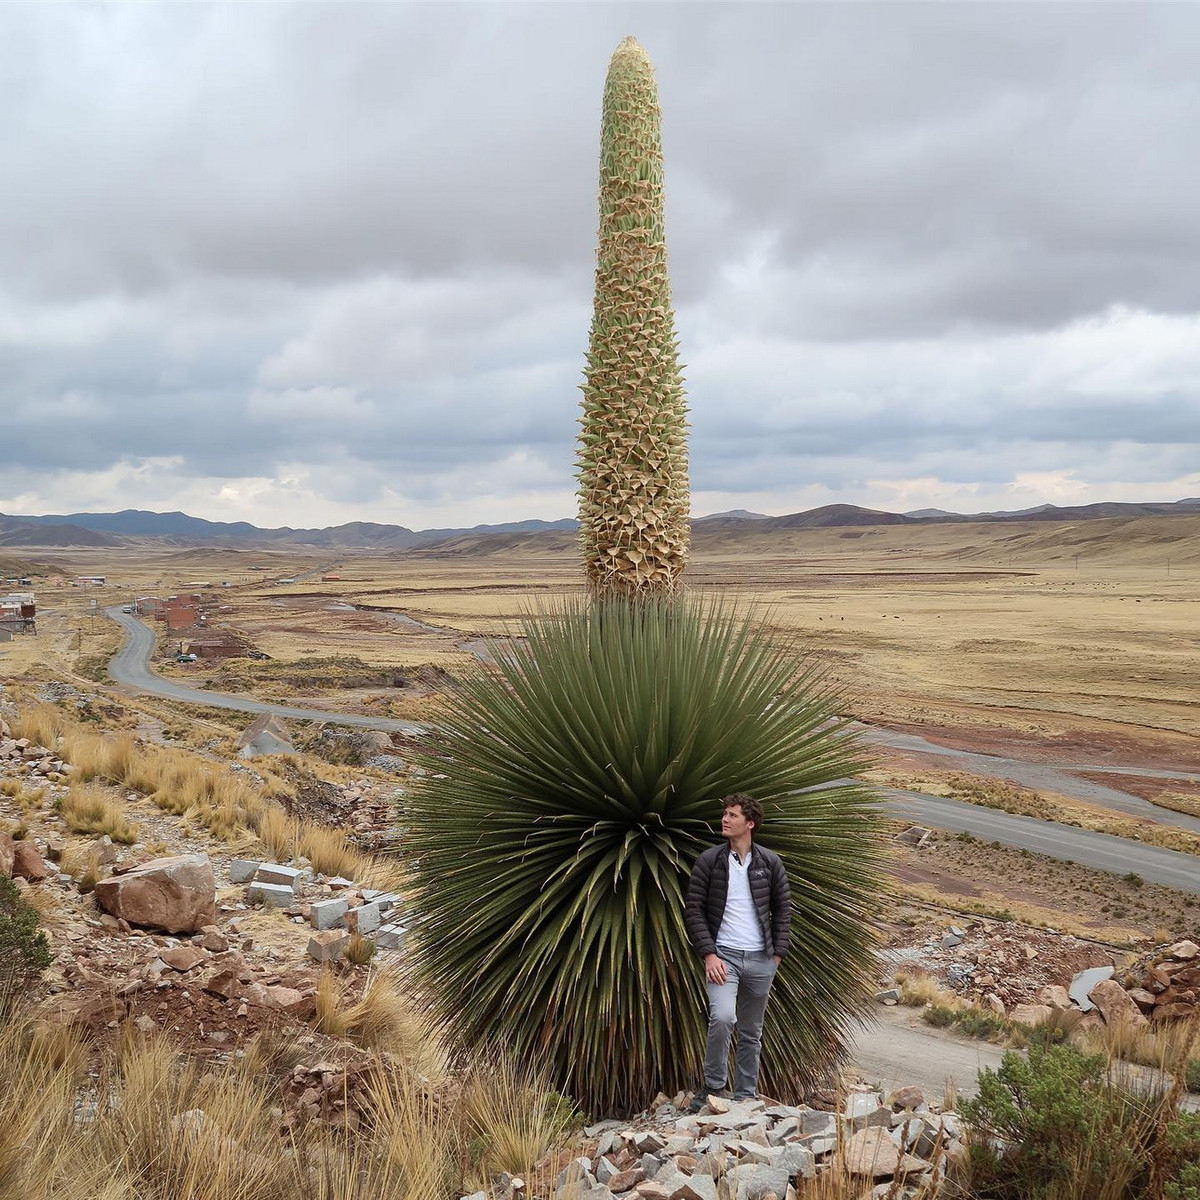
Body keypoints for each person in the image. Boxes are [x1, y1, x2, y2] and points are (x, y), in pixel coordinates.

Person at [683, 793, 792, 1110]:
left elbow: (783, 909)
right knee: (723, 1016)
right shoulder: (710, 860)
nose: (725, 819)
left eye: (732, 815)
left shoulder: (769, 862)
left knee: (751, 1031)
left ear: (750, 823)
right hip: (723, 956)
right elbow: (694, 910)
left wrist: (776, 957)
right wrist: (709, 954)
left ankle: (746, 1095)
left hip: (761, 959)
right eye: (725, 814)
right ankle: (714, 1087)